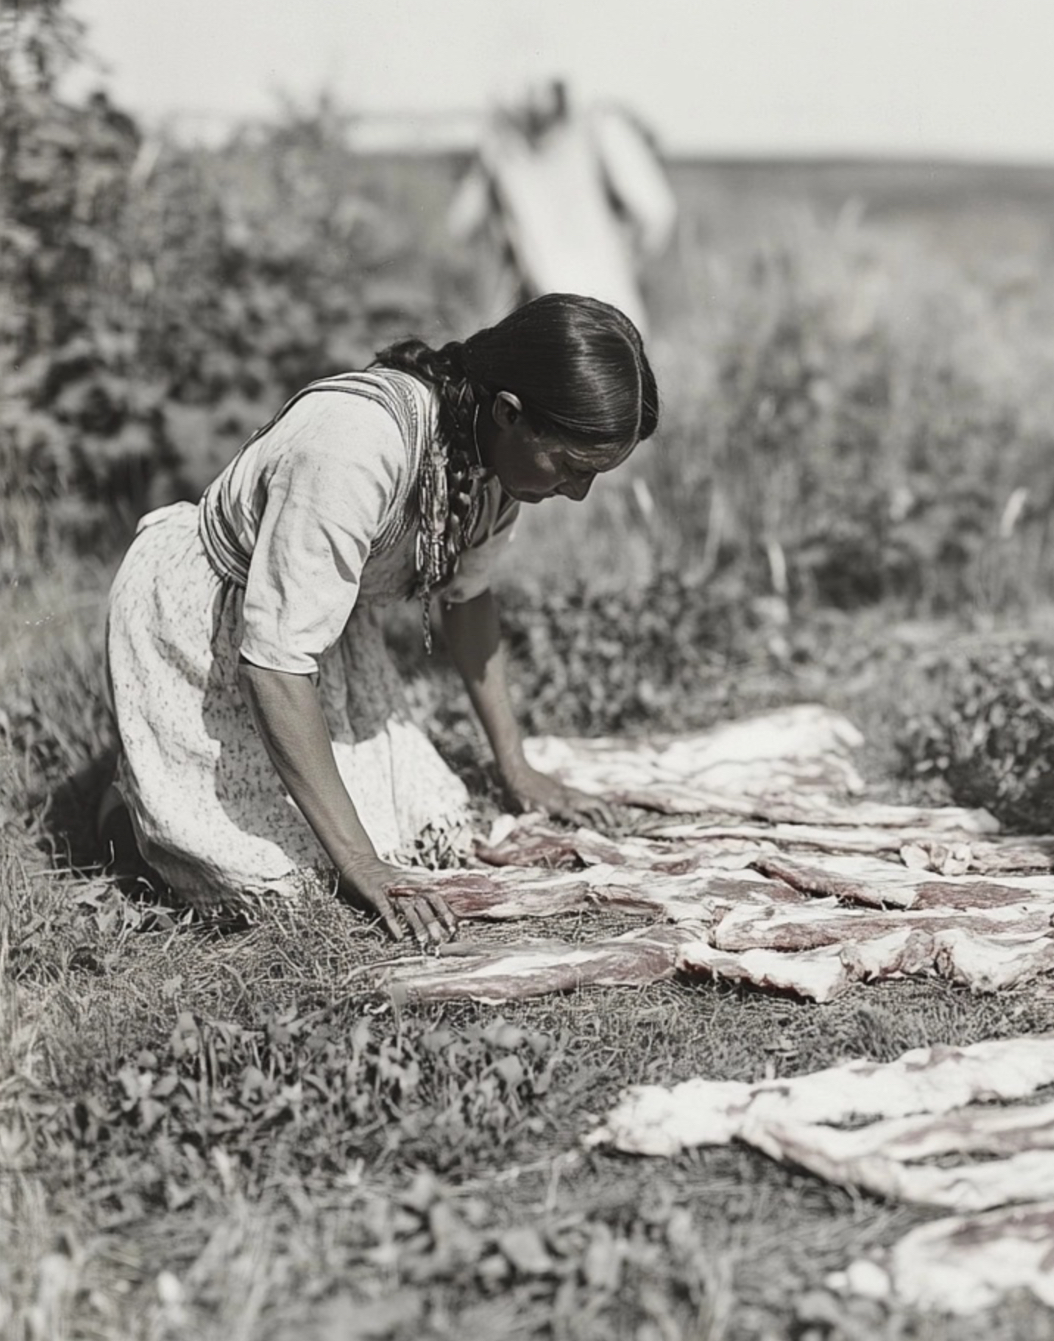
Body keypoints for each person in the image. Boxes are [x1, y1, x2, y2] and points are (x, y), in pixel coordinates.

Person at [103, 293, 657, 945]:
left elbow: (468, 599)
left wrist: (516, 764)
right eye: (570, 466)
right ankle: (130, 807)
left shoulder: (490, 466)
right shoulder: (357, 444)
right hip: (202, 632)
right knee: (274, 886)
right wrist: (361, 862)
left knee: (423, 827)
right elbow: (274, 665)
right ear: (510, 413)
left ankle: (166, 796)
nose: (576, 492)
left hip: (315, 641)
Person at [447, 79, 678, 335]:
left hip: (595, 317)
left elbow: (658, 214)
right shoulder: (505, 151)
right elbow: (459, 224)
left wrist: (625, 262)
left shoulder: (596, 130)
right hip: (569, 318)